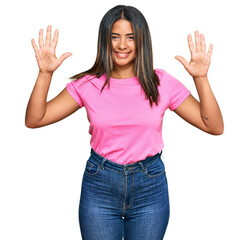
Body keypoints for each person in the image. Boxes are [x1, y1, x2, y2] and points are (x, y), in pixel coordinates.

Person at [25, 4, 224, 240]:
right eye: (115, 37)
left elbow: (214, 126)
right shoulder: (89, 84)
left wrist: (201, 78)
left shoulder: (161, 82)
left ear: (142, 41)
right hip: (100, 185)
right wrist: (45, 74)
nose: (122, 44)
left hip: (149, 186)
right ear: (104, 41)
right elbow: (35, 119)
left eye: (130, 37)